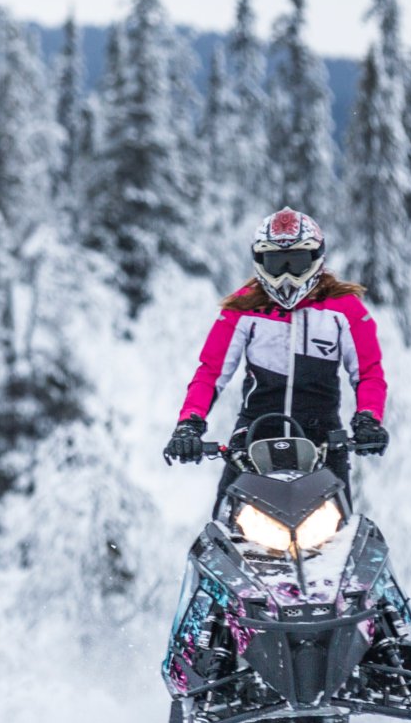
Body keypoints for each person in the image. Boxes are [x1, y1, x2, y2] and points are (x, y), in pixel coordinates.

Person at [164, 208, 388, 506]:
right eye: (275, 262)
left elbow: (368, 373)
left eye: (295, 262)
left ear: (316, 258)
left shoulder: (345, 309)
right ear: (259, 261)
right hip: (253, 438)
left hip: (323, 441)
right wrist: (189, 424)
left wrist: (368, 419)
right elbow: (211, 372)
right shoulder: (243, 307)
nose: (285, 275)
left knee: (345, 540)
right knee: (221, 534)